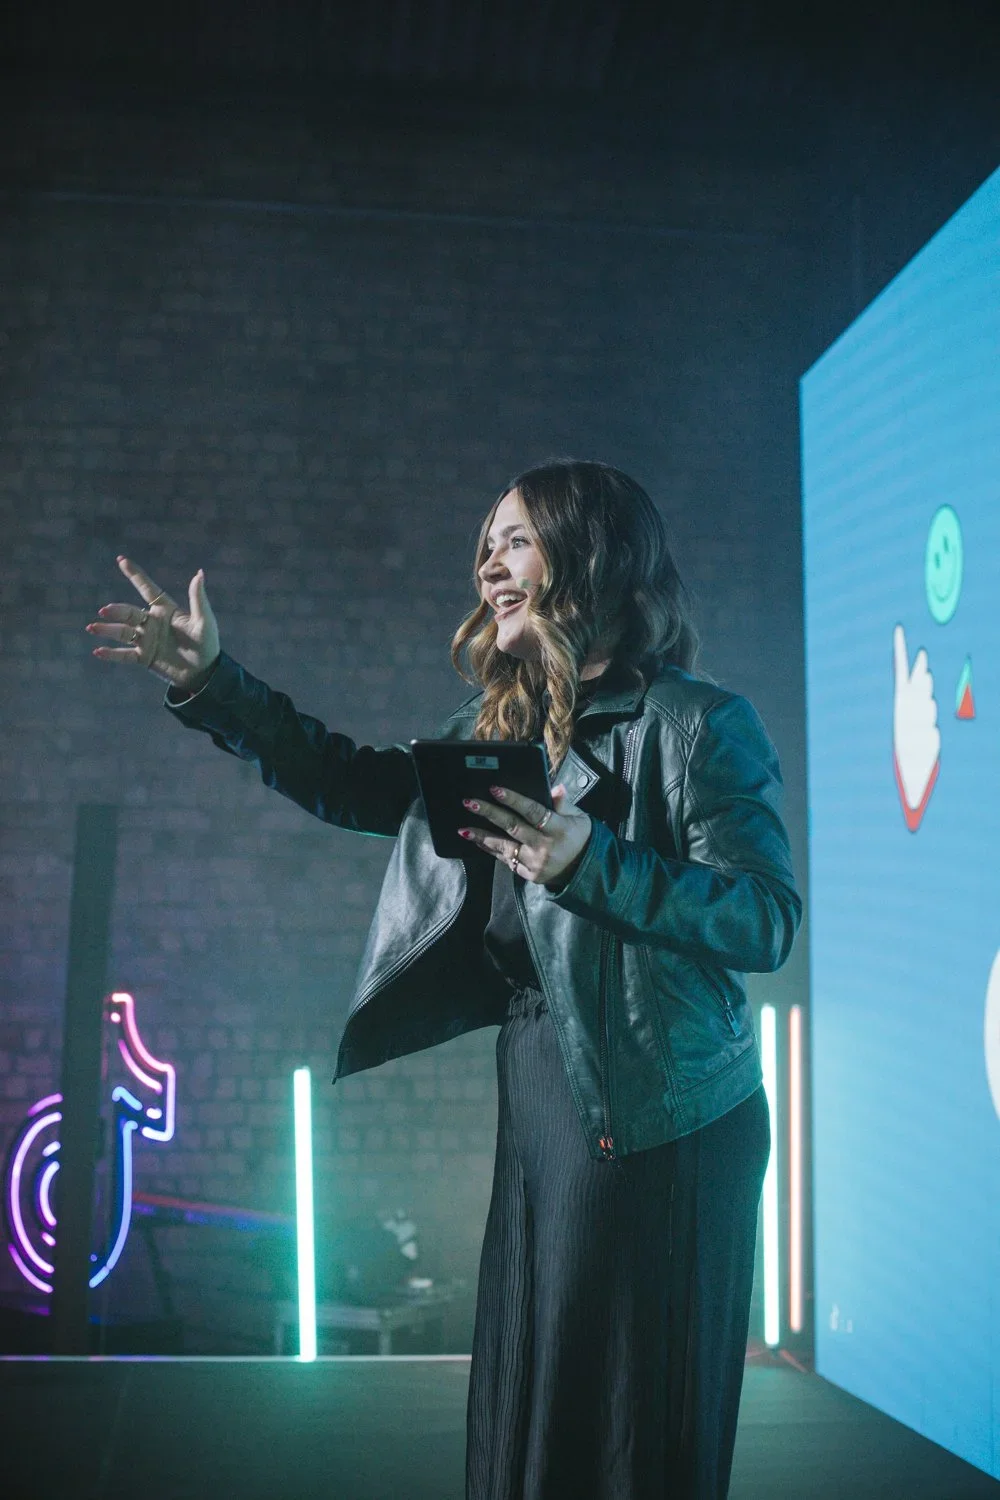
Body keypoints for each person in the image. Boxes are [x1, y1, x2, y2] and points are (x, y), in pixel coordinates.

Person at [86, 459, 801, 1500]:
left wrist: (585, 863)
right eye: (485, 542)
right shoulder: (498, 736)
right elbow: (352, 779)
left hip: (670, 1118)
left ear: (589, 554)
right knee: (535, 1388)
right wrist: (212, 680)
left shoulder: (695, 725)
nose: (486, 562)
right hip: (547, 1095)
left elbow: (762, 915)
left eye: (513, 538)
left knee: (628, 1418)